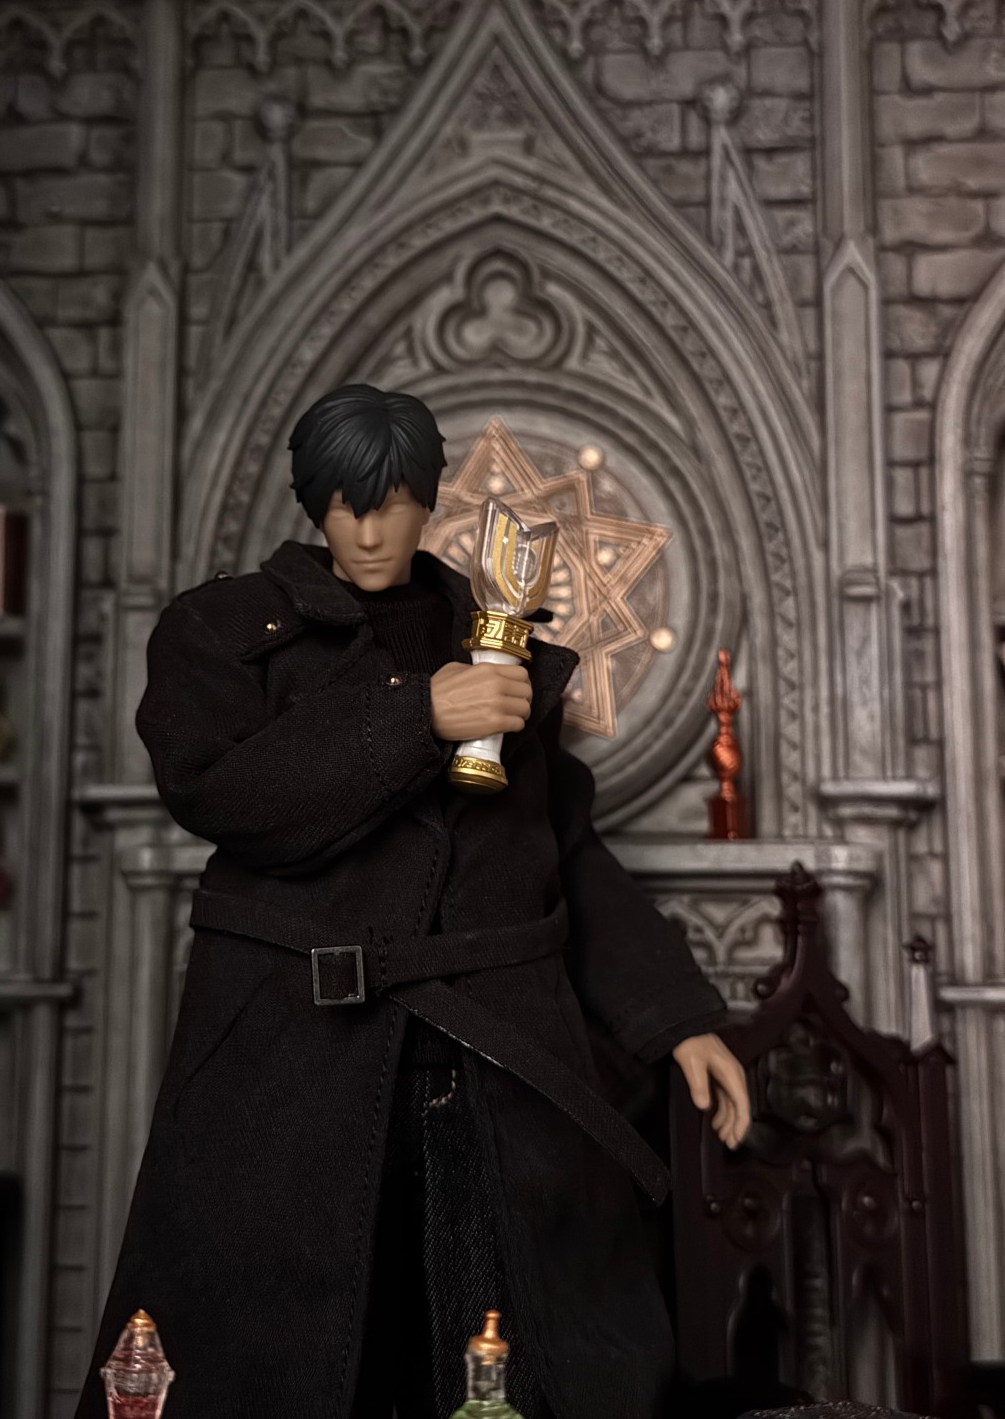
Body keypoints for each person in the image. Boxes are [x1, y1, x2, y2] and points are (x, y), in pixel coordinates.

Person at [76, 384, 750, 1419]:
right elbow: (223, 794)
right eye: (345, 504)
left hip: (487, 1060)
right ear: (315, 503)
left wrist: (676, 1017)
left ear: (427, 502)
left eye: (392, 504)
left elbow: (562, 849)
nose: (369, 530)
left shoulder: (492, 635)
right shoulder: (223, 630)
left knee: (495, 1351)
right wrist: (417, 715)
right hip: (294, 1062)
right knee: (293, 1361)